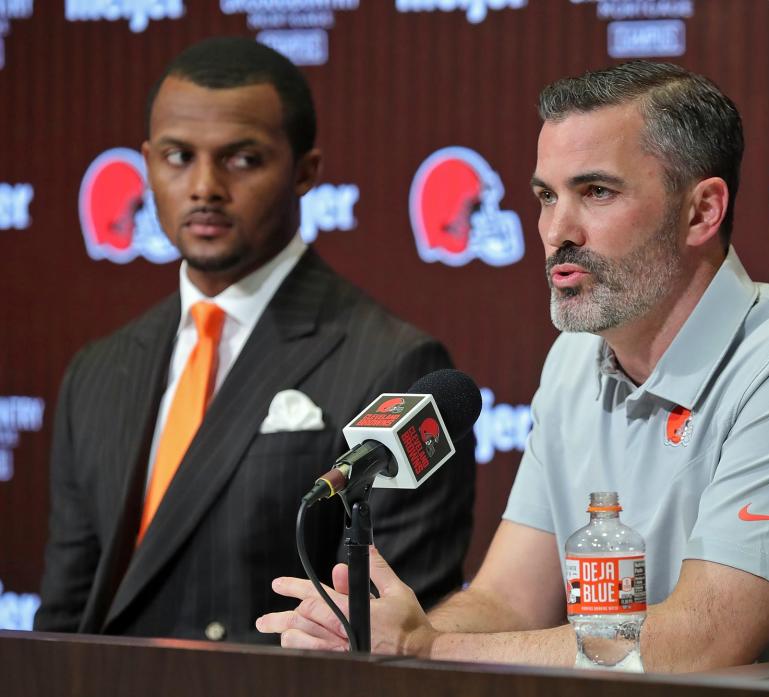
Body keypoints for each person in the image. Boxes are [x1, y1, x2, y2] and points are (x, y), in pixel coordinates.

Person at [257, 60, 769, 692]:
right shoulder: (574, 359)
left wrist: (431, 649)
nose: (557, 229)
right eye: (544, 195)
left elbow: (699, 644)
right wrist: (387, 631)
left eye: (594, 192)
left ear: (701, 211)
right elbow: (507, 599)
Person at [34, 37, 475, 644]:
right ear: (146, 164)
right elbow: (66, 614)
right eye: (178, 156)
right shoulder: (98, 369)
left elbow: (399, 634)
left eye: (242, 159)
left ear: (306, 172)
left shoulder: (393, 362)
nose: (205, 186)